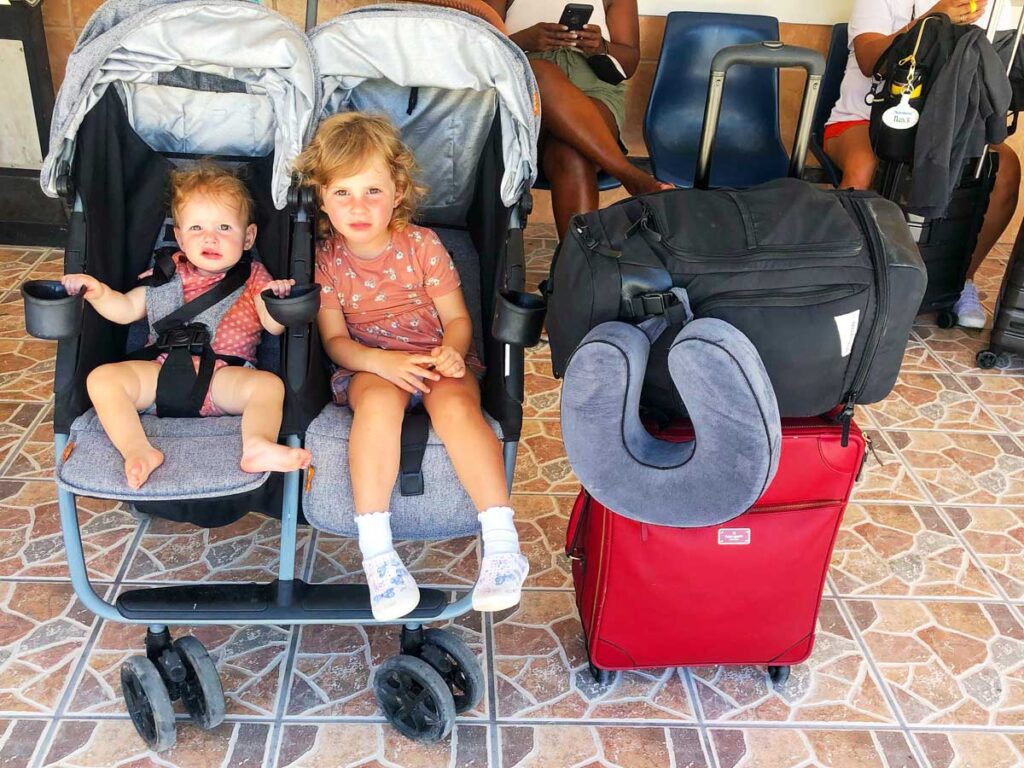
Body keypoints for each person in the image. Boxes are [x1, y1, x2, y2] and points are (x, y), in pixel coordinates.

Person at [295, 113, 529, 621]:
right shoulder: (326, 260)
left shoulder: (422, 245)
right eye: (343, 194)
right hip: (371, 363)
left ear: (398, 191)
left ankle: (503, 545)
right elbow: (335, 340)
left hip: (432, 354)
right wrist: (379, 361)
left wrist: (451, 349)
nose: (358, 207)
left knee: (456, 405)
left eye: (373, 191)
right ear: (321, 197)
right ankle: (378, 555)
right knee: (376, 405)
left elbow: (458, 319)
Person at [61, 164, 311, 489]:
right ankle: (137, 450)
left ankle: (256, 445)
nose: (210, 237)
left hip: (224, 377)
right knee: (103, 378)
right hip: (159, 373)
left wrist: (279, 301)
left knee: (268, 386)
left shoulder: (255, 279)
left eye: (224, 227)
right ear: (179, 236)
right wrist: (98, 292)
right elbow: (125, 310)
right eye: (196, 228)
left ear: (248, 237)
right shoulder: (165, 275)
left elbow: (273, 326)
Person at [825, 0, 1022, 328]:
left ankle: (960, 281)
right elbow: (870, 59)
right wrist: (932, 19)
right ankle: (844, 284)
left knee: (1004, 170)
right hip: (863, 118)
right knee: (863, 168)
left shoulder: (989, 6)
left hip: (944, 126)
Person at [483, 0, 672, 239]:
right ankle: (629, 175)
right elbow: (479, 44)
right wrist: (523, 41)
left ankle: (576, 268)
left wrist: (601, 47)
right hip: (525, 99)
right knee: (540, 73)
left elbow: (629, 61)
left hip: (593, 91)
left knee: (572, 155)